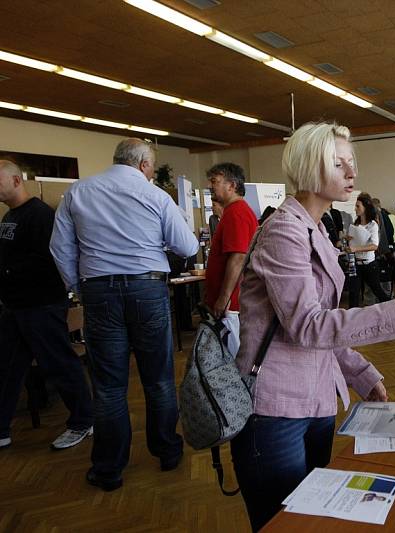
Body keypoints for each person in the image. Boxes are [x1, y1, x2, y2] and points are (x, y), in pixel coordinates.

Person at [230, 122, 395, 531]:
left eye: (352, 163)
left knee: (313, 517)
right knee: (284, 522)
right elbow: (309, 325)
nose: (351, 173)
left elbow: (322, 324)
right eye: (338, 164)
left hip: (316, 400)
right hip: (275, 408)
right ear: (309, 168)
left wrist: (361, 373)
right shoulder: (284, 231)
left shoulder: (318, 228)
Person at [50, 138, 198, 491]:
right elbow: (188, 246)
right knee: (158, 379)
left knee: (109, 386)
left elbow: (60, 248)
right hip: (148, 289)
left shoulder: (78, 191)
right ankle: (167, 452)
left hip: (98, 291)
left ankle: (108, 468)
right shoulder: (156, 196)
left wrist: (79, 286)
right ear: (145, 164)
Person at [0, 160, 93, 451]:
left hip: (40, 305)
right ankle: (1, 428)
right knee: (7, 369)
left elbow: (48, 262)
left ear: (16, 180)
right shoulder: (9, 216)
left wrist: (7, 271)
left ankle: (82, 421)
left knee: (60, 364)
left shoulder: (40, 215)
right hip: (15, 306)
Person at [204, 163, 258, 320]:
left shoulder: (236, 213)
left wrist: (224, 298)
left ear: (232, 185)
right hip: (229, 303)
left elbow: (238, 257)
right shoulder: (234, 211)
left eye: (215, 181)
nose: (210, 186)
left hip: (230, 306)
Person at [346, 196, 391, 307]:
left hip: (369, 264)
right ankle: (351, 320)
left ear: (365, 207)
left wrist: (356, 248)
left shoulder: (372, 224)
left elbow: (374, 246)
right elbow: (354, 242)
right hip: (355, 263)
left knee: (377, 290)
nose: (355, 209)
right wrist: (348, 240)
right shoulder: (356, 224)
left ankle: (393, 309)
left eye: (358, 206)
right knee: (354, 293)